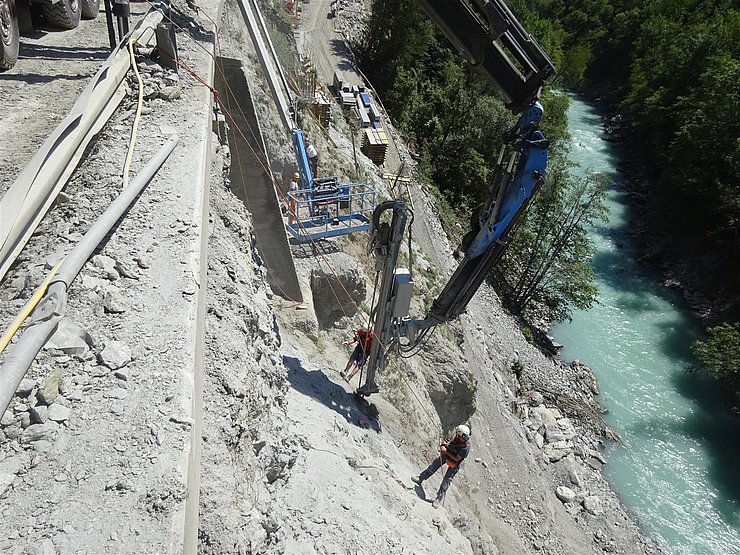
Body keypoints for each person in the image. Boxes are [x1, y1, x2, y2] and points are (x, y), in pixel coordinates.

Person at [411, 424, 471, 508]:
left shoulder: (465, 448)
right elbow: (452, 443)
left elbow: (457, 458)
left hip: (454, 463)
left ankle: (438, 499)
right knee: (434, 466)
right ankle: (420, 478)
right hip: (448, 454)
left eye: (459, 434)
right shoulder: (458, 438)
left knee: (446, 480)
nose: (457, 435)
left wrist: (445, 451)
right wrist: (445, 444)